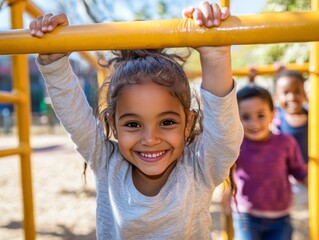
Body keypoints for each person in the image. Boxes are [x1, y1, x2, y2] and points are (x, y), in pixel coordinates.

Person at [29, 2, 244, 239]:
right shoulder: (106, 162)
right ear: (112, 125)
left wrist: (215, 57)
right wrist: (55, 63)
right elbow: (74, 116)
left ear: (188, 123)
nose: (150, 139)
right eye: (133, 124)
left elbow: (225, 137)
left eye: (167, 122)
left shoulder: (198, 169)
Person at [231, 84, 307, 240]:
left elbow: (299, 171)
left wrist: (309, 180)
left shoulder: (286, 143)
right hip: (246, 215)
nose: (254, 123)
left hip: (281, 216)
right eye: (245, 117)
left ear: (273, 115)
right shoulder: (236, 144)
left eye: (260, 115)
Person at [273, 70, 308, 163]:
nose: (292, 97)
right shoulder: (277, 117)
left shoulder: (312, 115)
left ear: (304, 94)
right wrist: (251, 80)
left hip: (311, 171)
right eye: (285, 93)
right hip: (286, 172)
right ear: (276, 97)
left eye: (297, 92)